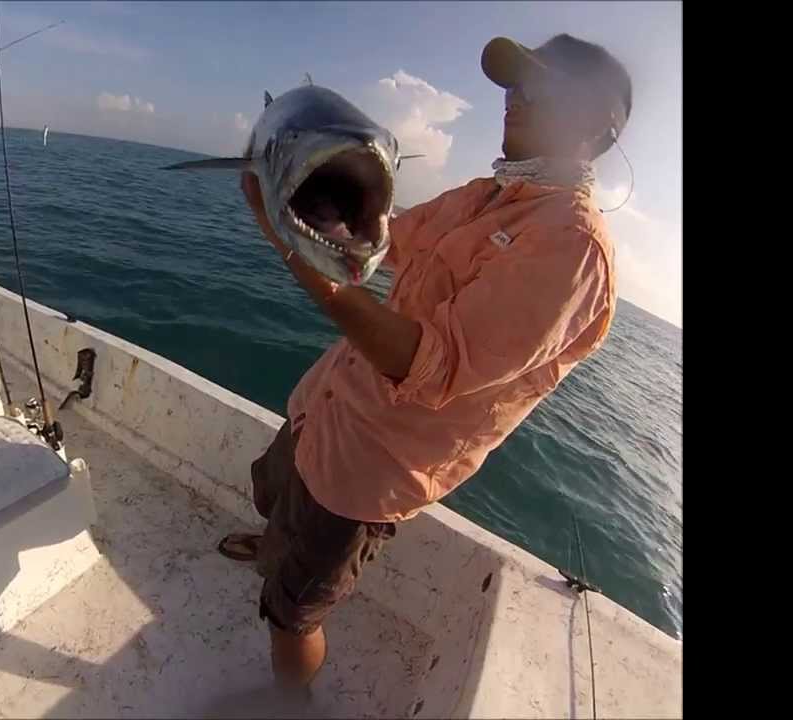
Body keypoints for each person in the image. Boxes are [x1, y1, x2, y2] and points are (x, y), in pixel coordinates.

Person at [219, 33, 631, 692]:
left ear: (594, 130)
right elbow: (388, 240)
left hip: (368, 473)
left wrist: (293, 251)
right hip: (321, 410)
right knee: (273, 497)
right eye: (514, 84)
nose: (513, 100)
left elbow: (430, 365)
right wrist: (315, 195)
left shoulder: (574, 248)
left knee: (292, 618)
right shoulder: (480, 196)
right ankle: (275, 556)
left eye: (539, 90)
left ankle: (287, 697)